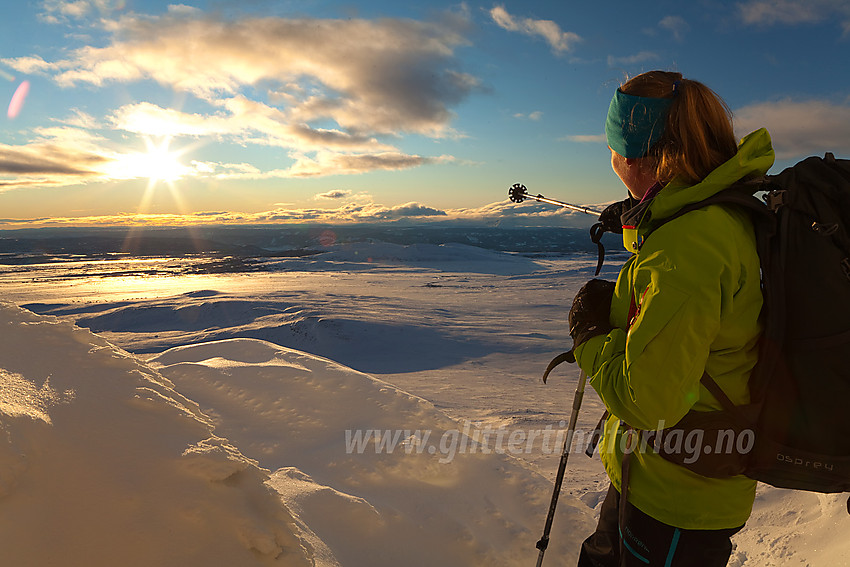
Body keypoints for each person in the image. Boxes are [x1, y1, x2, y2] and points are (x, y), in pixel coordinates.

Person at [569, 70, 774, 566]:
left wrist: (590, 337)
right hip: (656, 476)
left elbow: (648, 403)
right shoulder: (706, 216)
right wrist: (645, 214)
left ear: (634, 155)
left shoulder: (689, 246)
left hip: (677, 500)